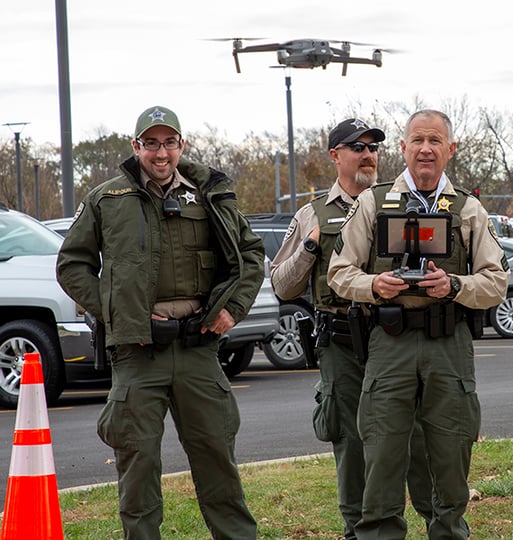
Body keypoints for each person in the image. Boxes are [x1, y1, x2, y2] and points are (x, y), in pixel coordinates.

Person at [56, 105, 264, 539]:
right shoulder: (106, 199)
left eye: (169, 142)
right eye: (151, 143)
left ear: (181, 145)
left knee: (217, 459)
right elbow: (72, 265)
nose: (161, 152)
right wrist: (117, 311)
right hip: (138, 353)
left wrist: (232, 309)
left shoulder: (208, 194)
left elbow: (250, 254)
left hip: (197, 347)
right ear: (136, 147)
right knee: (138, 463)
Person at [327, 109, 509, 539]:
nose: (426, 149)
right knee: (382, 451)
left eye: (435, 141)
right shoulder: (373, 203)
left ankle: (448, 531)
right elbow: (339, 272)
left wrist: (454, 285)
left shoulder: (468, 209)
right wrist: (375, 285)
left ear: (451, 149)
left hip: (448, 343)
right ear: (404, 147)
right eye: (417, 141)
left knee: (451, 450)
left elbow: (497, 281)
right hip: (389, 342)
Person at [269, 117, 435, 538]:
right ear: (335, 155)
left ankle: (438, 521)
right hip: (343, 344)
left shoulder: (400, 203)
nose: (367, 155)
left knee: (416, 437)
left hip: (396, 339)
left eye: (373, 148)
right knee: (352, 443)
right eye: (357, 147)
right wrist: (310, 245)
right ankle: (357, 530)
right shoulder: (313, 213)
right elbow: (282, 286)